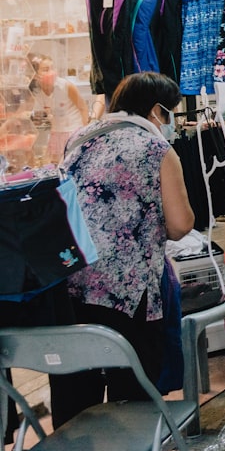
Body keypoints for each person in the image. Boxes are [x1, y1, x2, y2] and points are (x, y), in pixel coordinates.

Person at [51, 72, 195, 426]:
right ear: (156, 110)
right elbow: (180, 224)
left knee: (77, 394)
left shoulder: (78, 138)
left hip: (71, 283)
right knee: (133, 393)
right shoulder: (155, 148)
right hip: (128, 292)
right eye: (169, 112)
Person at [29, 54, 89, 162]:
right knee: (55, 167)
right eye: (46, 70)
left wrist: (85, 134)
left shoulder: (66, 86)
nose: (51, 72)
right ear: (35, 75)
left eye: (52, 68)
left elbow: (83, 108)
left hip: (73, 131)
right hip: (56, 133)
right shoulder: (36, 91)